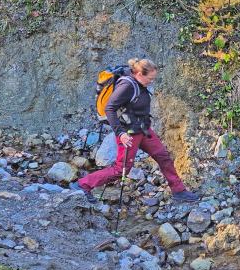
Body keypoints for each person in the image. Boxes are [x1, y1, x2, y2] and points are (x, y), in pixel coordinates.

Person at [77, 58, 199, 203]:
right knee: (120, 169)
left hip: (143, 129)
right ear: (140, 74)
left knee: (163, 156)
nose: (152, 81)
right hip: (129, 134)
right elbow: (110, 109)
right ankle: (84, 184)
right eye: (150, 78)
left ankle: (179, 191)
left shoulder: (139, 83)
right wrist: (120, 133)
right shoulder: (126, 86)